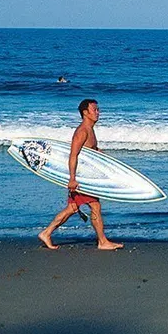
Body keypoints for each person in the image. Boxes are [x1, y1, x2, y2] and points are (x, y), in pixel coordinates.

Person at [38, 99, 123, 250]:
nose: (98, 112)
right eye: (95, 110)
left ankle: (46, 232)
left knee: (72, 208)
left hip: (84, 177)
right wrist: (72, 179)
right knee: (95, 206)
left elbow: (90, 152)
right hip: (80, 178)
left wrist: (103, 157)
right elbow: (73, 155)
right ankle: (103, 242)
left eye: (98, 109)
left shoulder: (90, 129)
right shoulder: (82, 131)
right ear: (85, 112)